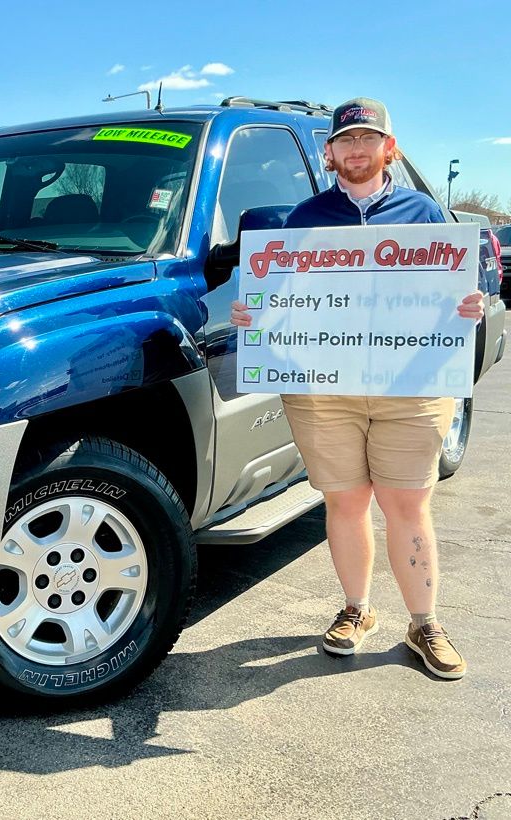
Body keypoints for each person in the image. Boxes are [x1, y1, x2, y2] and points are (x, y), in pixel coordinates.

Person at [230, 97, 485, 680]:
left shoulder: (425, 215)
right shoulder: (305, 220)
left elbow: (455, 294)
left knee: (407, 504)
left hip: (410, 383)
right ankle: (356, 609)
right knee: (345, 502)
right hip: (325, 390)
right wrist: (257, 316)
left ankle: (424, 622)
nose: (357, 150)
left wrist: (467, 306)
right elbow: (282, 306)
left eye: (368, 139)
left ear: (388, 148)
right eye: (346, 141)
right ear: (330, 152)